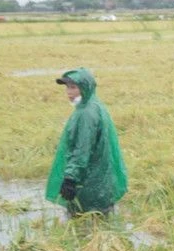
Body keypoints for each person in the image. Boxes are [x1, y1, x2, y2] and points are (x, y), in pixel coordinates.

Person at [46, 68, 128, 215]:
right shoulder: (93, 104)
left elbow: (81, 150)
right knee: (101, 223)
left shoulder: (86, 114)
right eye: (67, 87)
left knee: (86, 225)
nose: (69, 92)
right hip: (101, 180)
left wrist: (70, 179)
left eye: (73, 87)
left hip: (90, 183)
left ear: (85, 87)